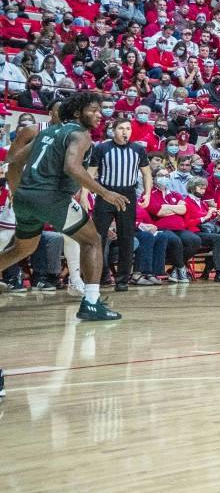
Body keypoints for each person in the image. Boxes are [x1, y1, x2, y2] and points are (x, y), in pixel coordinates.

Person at [0, 91, 127, 321]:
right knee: (92, 241)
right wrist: (105, 192)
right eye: (94, 110)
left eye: (100, 110)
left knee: (22, 249)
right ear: (78, 113)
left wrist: (18, 192)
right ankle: (91, 303)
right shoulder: (80, 135)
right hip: (52, 197)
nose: (100, 115)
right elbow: (72, 167)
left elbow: (15, 162)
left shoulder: (47, 132)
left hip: (26, 197)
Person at [87, 115, 147, 291]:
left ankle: (122, 280)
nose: (125, 132)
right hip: (106, 193)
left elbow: (147, 173)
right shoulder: (102, 148)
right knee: (99, 238)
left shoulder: (138, 149)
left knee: (127, 238)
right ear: (113, 131)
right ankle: (96, 277)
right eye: (121, 128)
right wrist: (84, 193)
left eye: (128, 128)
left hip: (128, 194)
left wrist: (148, 193)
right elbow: (90, 174)